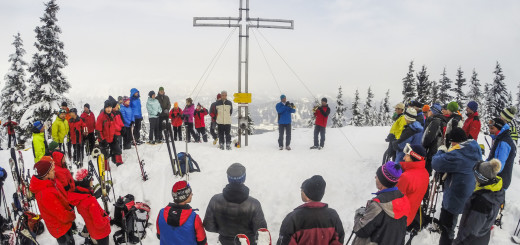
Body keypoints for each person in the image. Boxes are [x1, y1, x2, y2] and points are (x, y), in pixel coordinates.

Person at [432, 127, 481, 245]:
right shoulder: (474, 148)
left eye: (451, 142)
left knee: (448, 226)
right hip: (468, 191)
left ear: (455, 141)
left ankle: (446, 241)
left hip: (455, 195)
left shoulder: (458, 155)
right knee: (458, 223)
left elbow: (436, 163)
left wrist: (441, 151)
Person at [203, 163, 267, 245]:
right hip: (248, 242)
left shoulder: (215, 200)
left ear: (228, 178)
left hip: (225, 241)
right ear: (244, 178)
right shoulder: (254, 204)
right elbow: (261, 231)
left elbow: (209, 226)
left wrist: (223, 231)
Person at [352, 161, 410, 245]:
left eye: (377, 176)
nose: (375, 177)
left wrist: (358, 215)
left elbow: (360, 230)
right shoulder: (403, 199)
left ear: (383, 181)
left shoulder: (377, 206)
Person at [277, 175, 344, 245]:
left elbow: (285, 242)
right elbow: (338, 240)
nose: (301, 192)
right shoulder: (333, 215)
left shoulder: (293, 218)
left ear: (307, 195)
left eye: (302, 190)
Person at [452, 159, 504, 244]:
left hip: (471, 241)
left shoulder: (482, 202)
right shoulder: (495, 189)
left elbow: (471, 231)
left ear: (481, 178)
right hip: (483, 237)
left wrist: (458, 243)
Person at [29, 157, 76, 245]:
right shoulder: (46, 193)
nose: (54, 171)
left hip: (61, 225)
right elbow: (60, 214)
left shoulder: (47, 183)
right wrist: (71, 215)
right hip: (60, 227)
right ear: (46, 174)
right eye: (52, 170)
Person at [68, 169, 111, 245]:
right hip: (101, 233)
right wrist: (107, 218)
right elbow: (99, 223)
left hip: (92, 230)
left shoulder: (79, 197)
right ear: (86, 182)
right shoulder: (90, 201)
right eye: (91, 179)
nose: (92, 180)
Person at [396, 144, 429, 229]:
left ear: (414, 157)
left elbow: (393, 200)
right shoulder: (425, 173)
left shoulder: (406, 177)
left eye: (406, 156)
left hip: (398, 220)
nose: (403, 158)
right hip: (410, 216)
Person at [487, 118, 516, 190]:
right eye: (489, 128)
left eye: (492, 128)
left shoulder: (504, 143)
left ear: (499, 128)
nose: (490, 130)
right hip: (496, 180)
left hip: (499, 181)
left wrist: (483, 169)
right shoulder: (499, 138)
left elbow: (498, 167)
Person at [422, 103, 448, 174]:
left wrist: (423, 145)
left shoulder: (436, 122)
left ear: (434, 111)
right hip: (437, 149)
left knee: (428, 171)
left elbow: (429, 137)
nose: (428, 112)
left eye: (430, 110)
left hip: (433, 150)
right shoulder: (442, 120)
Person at [96, 100, 124, 166]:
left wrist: (115, 135)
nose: (109, 109)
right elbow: (98, 130)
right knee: (104, 154)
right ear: (105, 108)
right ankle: (105, 168)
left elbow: (113, 126)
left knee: (118, 150)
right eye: (107, 107)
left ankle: (119, 164)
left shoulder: (112, 115)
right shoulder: (101, 117)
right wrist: (102, 140)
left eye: (110, 107)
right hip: (103, 139)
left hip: (111, 138)